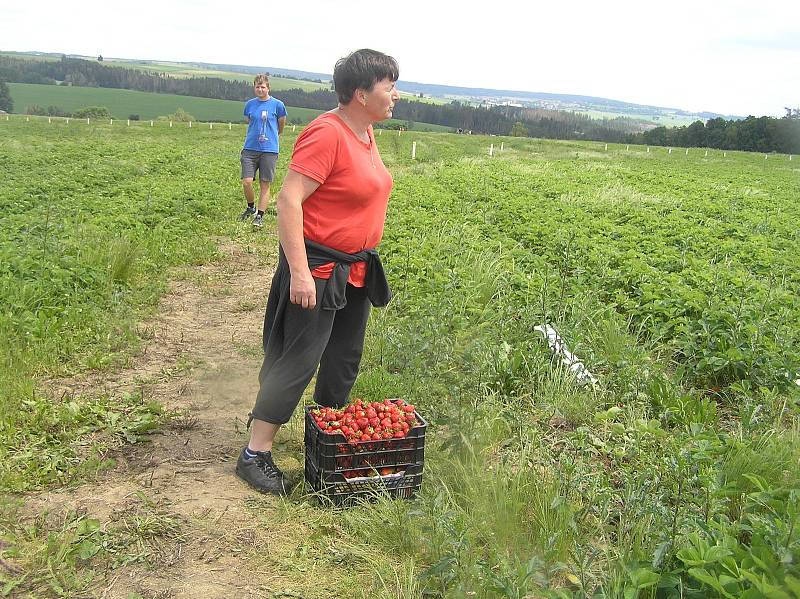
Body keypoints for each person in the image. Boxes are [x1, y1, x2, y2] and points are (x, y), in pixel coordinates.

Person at [236, 49, 401, 494]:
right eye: (389, 86)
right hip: (318, 266)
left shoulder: (364, 131)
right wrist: (300, 273)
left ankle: (324, 438)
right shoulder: (326, 133)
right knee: (298, 358)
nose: (395, 95)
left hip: (355, 271)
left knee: (342, 360)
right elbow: (290, 201)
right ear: (361, 93)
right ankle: (255, 453)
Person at [239, 74, 287, 228]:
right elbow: (250, 121)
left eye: (263, 87)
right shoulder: (249, 105)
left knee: (264, 184)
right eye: (257, 87)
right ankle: (250, 207)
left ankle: (259, 215)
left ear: (268, 88)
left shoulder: (278, 105)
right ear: (254, 88)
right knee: (247, 182)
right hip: (250, 148)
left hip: (269, 150)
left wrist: (273, 136)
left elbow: (281, 124)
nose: (260, 89)